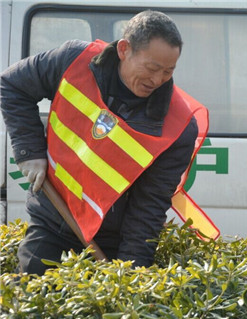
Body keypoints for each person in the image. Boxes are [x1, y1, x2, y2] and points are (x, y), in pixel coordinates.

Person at [0, 10, 217, 274]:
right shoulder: (74, 61)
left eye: (168, 72)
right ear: (124, 49)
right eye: (151, 68)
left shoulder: (177, 128)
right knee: (31, 293)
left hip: (110, 242)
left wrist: (130, 273)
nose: (157, 80)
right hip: (52, 220)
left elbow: (147, 209)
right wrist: (29, 151)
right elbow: (13, 85)